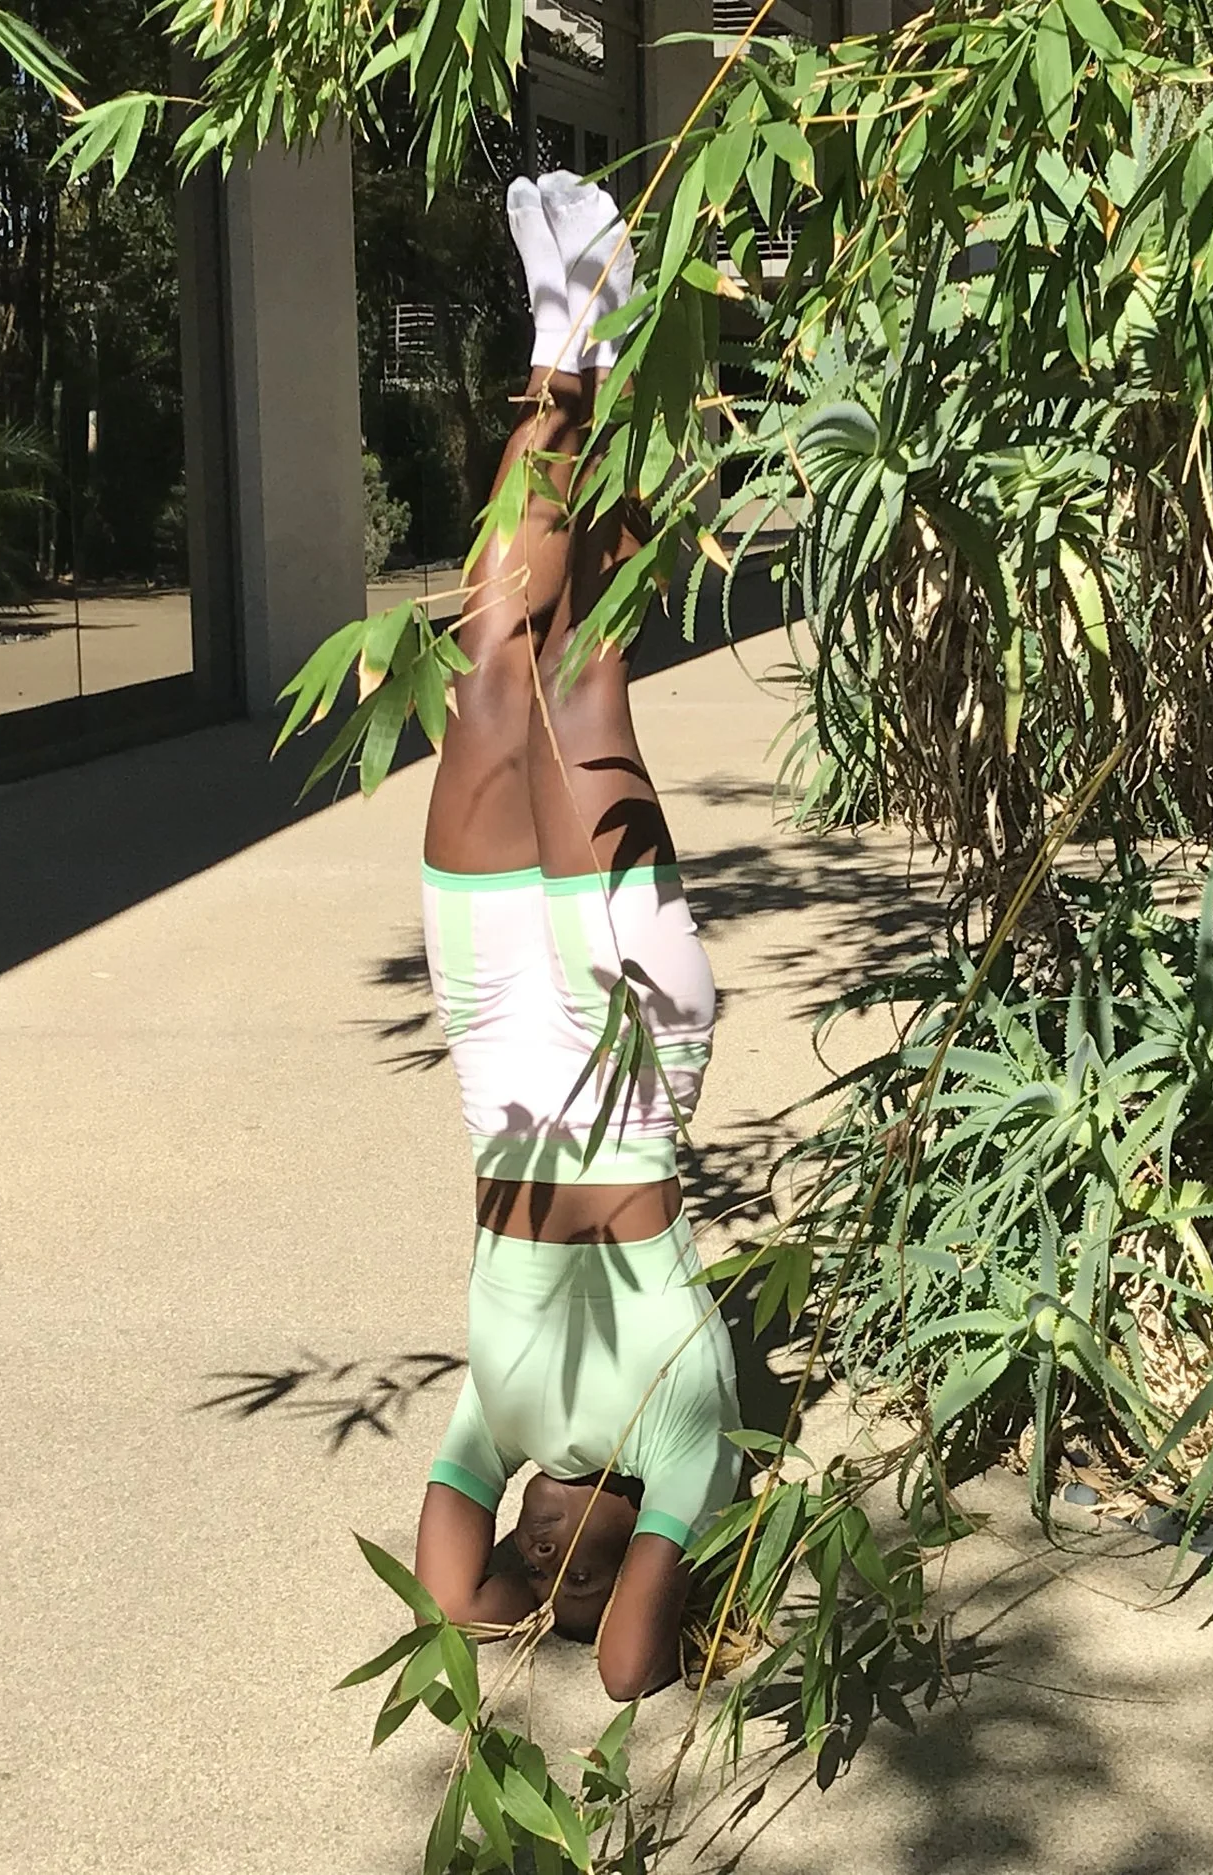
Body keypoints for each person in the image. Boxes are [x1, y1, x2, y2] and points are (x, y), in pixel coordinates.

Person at [410, 172, 739, 1702]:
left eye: (525, 1553)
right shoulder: (655, 1429)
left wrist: (514, 1605)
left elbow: (515, 1621)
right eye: (552, 1550)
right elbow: (603, 1671)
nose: (525, 1534)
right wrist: (556, 1602)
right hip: (611, 1041)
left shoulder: (535, 1421)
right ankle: (593, 334)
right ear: (593, 1545)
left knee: (495, 666)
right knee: (571, 678)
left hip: (511, 1041)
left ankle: (563, 339)